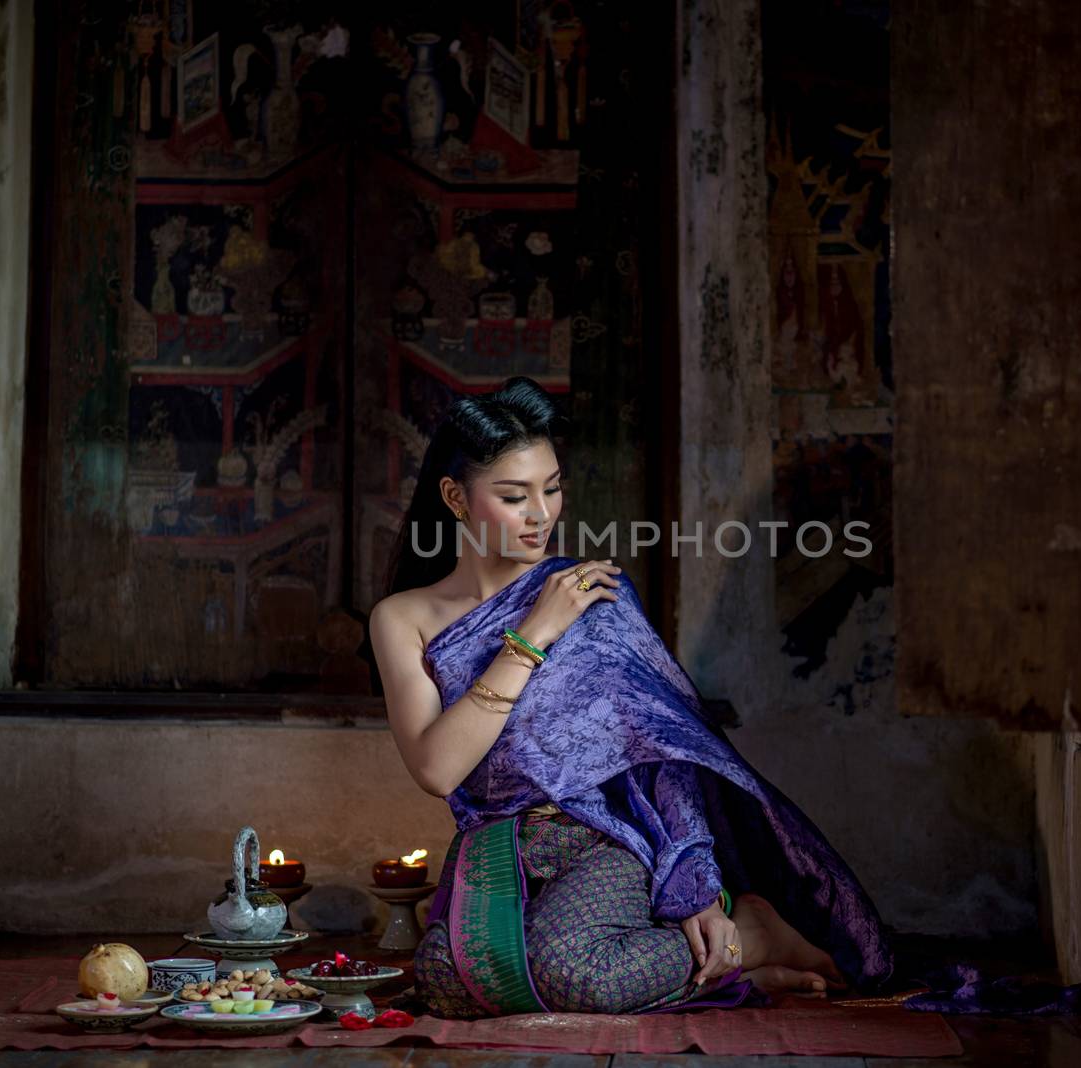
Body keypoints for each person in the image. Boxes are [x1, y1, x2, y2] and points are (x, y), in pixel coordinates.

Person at [369, 376, 893, 1018]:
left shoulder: (592, 595)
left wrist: (696, 885)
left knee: (572, 971)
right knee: (448, 986)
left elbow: (662, 752)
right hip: (497, 842)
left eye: (552, 488)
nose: (542, 514)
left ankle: (753, 934)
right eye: (514, 496)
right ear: (456, 497)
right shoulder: (404, 617)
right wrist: (533, 631)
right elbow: (436, 767)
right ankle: (730, 973)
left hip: (607, 836)